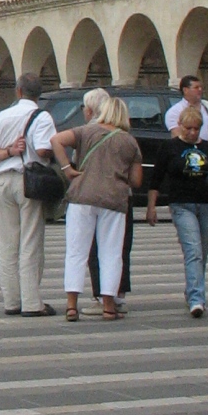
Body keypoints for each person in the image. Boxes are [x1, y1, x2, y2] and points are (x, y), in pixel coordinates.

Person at [53, 94, 142, 321]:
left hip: (82, 197)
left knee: (76, 251)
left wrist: (67, 168)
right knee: (111, 253)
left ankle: (71, 305)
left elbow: (56, 140)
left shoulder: (85, 132)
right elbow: (136, 181)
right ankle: (109, 306)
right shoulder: (129, 141)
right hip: (113, 200)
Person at [0, 72, 57, 317]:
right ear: (38, 94)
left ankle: (12, 301)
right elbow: (44, 150)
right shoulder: (42, 116)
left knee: (8, 242)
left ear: (18, 91)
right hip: (29, 181)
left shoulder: (0, 117)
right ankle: (32, 302)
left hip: (3, 181)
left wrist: (8, 152)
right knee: (30, 242)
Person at [147, 103, 208, 316]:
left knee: (202, 251)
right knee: (193, 250)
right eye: (188, 128)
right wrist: (152, 206)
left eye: (196, 128)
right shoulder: (169, 148)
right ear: (180, 126)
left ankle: (192, 289)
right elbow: (156, 179)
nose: (193, 133)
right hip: (181, 203)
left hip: (207, 203)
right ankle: (197, 298)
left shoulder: (207, 147)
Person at [167, 72, 208, 240]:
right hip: (189, 156)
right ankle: (189, 230)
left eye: (201, 87)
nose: (200, 90)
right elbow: (177, 137)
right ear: (185, 90)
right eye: (195, 87)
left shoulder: (207, 107)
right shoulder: (175, 111)